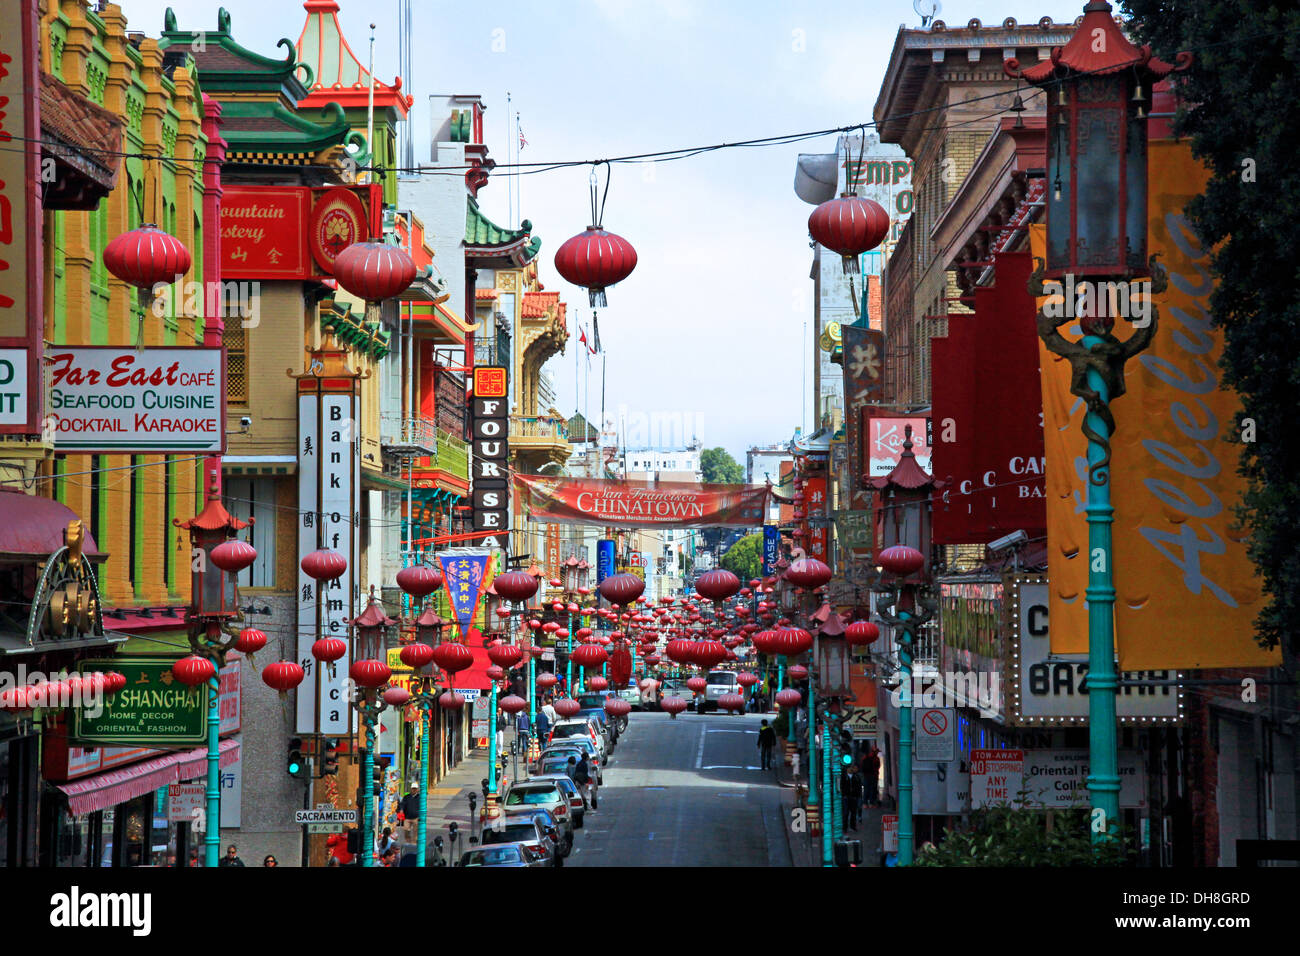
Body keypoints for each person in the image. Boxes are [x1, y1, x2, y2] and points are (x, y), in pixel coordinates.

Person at [841, 763, 864, 832]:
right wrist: (844, 794)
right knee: (845, 813)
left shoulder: (856, 777)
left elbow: (859, 787)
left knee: (853, 813)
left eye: (851, 768)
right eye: (849, 768)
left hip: (854, 797)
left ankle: (852, 826)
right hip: (846, 797)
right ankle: (845, 827)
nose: (850, 769)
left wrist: (858, 796)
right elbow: (842, 786)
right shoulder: (844, 777)